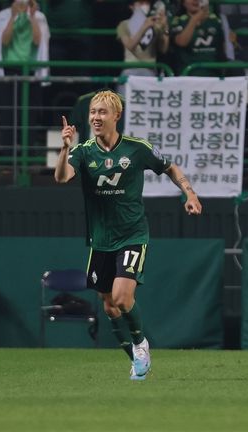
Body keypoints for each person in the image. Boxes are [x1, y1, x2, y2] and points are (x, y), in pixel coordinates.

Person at [54, 90, 202, 380]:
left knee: (122, 298)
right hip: (100, 240)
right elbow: (61, 177)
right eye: (93, 112)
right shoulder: (82, 150)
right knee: (109, 307)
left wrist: (190, 193)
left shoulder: (136, 149)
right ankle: (136, 359)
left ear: (116, 116)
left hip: (132, 234)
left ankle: (140, 343)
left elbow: (170, 167)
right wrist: (64, 148)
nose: (96, 117)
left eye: (102, 112)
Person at [0, 0, 49, 150]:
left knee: (29, 117)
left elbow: (37, 40)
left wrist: (33, 16)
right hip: (8, 70)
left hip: (31, 70)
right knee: (8, 116)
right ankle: (7, 159)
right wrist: (13, 17)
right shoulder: (2, 16)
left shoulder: (40, 16)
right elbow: (4, 41)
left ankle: (27, 158)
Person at [116, 0, 169, 95]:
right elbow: (130, 46)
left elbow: (163, 49)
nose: (144, 5)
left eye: (146, 3)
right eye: (140, 3)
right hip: (130, 70)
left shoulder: (154, 26)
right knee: (125, 105)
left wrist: (165, 27)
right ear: (131, 6)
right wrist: (144, 27)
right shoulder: (124, 24)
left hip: (150, 70)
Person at [169, 0, 227, 76]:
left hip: (214, 75)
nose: (195, 0)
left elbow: (223, 48)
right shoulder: (178, 21)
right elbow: (181, 42)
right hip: (188, 74)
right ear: (183, 2)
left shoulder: (215, 21)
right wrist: (194, 19)